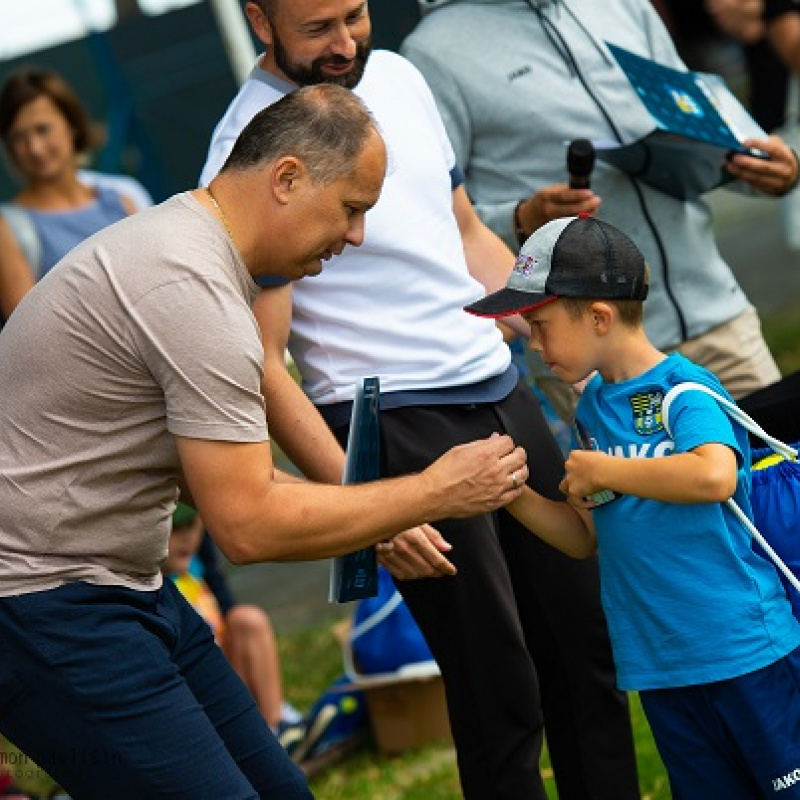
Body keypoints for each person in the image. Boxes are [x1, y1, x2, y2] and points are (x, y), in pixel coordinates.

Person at [0, 83, 529, 800]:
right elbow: (245, 524)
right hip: (42, 604)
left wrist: (383, 511)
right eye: (351, 208)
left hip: (119, 587)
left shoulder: (194, 256)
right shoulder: (191, 291)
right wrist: (434, 490)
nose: (356, 237)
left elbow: (226, 483)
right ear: (286, 179)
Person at [201, 3, 640, 798]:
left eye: (356, 15)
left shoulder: (399, 75)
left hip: (497, 387)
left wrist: (568, 346)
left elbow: (465, 231)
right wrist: (361, 499)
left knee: (587, 655)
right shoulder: (249, 148)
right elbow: (263, 363)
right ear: (260, 21)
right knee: (497, 689)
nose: (345, 45)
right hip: (392, 419)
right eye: (317, 30)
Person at [466, 213, 800, 800]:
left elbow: (715, 474)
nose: (533, 344)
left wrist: (607, 469)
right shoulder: (591, 410)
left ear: (598, 315)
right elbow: (583, 538)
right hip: (663, 665)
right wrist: (512, 496)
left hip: (745, 653)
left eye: (540, 325)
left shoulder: (684, 389)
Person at [401, 0, 800, 401]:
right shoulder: (431, 53)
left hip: (716, 317)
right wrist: (519, 221)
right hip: (593, 358)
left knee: (776, 462)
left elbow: (693, 118)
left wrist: (769, 168)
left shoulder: (625, 4)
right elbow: (432, 218)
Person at [0, 68, 140, 320]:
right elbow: (30, 332)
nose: (34, 148)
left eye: (42, 129)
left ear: (72, 125)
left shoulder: (121, 201)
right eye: (18, 138)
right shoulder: (8, 229)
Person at [163, 503, 300, 735]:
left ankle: (276, 724)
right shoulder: (152, 588)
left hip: (227, 676)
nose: (186, 537)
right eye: (175, 527)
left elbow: (227, 611)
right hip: (194, 695)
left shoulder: (198, 566)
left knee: (248, 619)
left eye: (192, 525)